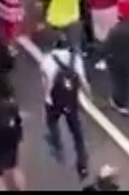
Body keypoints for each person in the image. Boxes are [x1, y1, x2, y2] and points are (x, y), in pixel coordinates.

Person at [41, 35, 90, 180]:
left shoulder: (47, 60)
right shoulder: (76, 59)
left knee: (52, 122)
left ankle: (57, 144)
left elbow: (45, 83)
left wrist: (46, 98)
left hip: (53, 101)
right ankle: (82, 164)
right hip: (70, 101)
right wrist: (88, 95)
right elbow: (83, 81)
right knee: (77, 134)